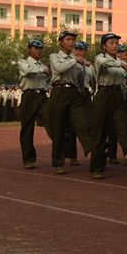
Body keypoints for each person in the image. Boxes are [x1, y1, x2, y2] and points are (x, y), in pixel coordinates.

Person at [49, 30, 94, 174]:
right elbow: (59, 68)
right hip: (59, 91)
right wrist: (75, 60)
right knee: (59, 129)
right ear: (61, 42)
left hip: (74, 93)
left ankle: (92, 150)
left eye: (73, 40)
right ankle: (58, 163)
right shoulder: (54, 56)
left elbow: (81, 79)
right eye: (68, 39)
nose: (71, 42)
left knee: (81, 123)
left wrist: (81, 91)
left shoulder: (78, 61)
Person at [89, 33, 127, 179]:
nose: (115, 45)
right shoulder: (100, 58)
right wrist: (122, 64)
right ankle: (96, 167)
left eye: (116, 43)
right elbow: (106, 64)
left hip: (118, 96)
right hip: (104, 95)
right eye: (111, 43)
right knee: (100, 132)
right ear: (104, 46)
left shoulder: (121, 62)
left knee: (123, 127)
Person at [17, 40, 50, 169]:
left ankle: (60, 151)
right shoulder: (22, 62)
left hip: (42, 96)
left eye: (40, 48)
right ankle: (28, 159)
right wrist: (43, 69)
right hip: (29, 96)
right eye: (36, 48)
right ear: (29, 50)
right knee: (27, 128)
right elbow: (28, 71)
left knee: (52, 122)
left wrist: (44, 69)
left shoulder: (42, 64)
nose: (38, 51)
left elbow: (48, 77)